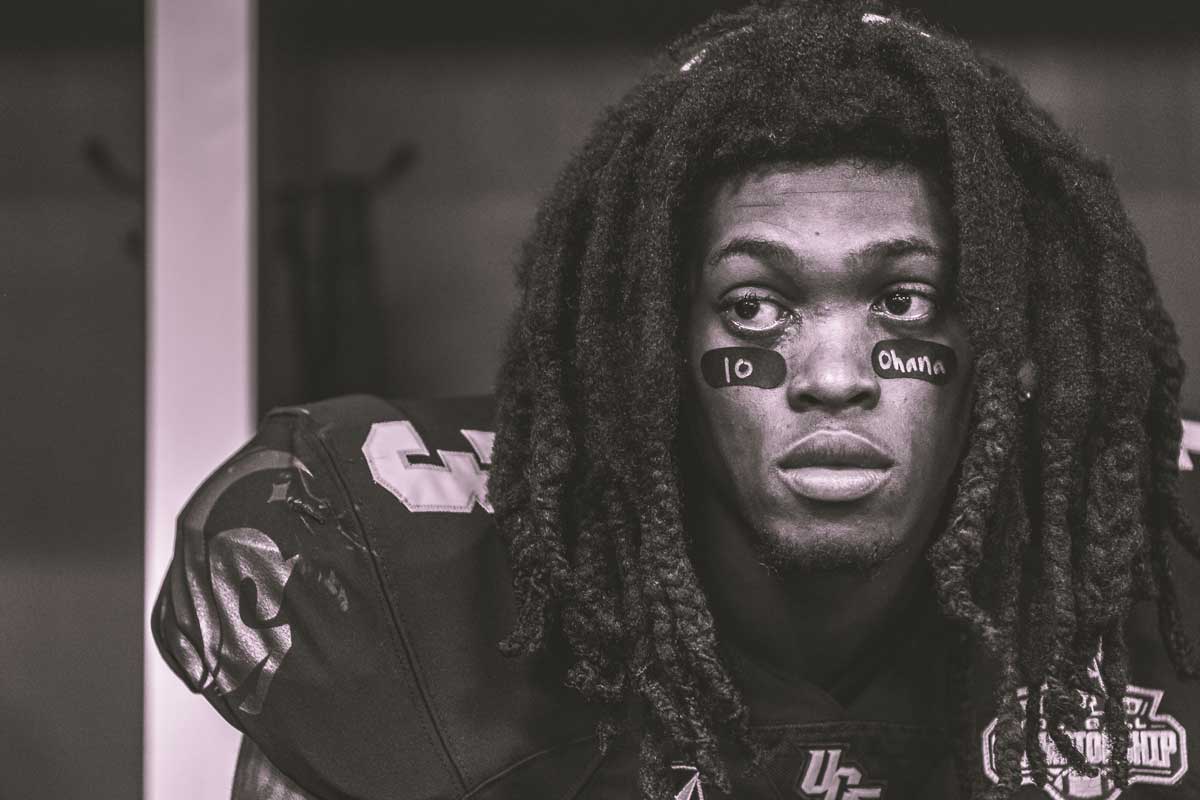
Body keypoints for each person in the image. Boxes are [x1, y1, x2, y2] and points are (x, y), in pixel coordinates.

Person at [152, 2, 1200, 798]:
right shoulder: (397, 570)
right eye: (755, 305)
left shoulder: (1157, 555)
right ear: (652, 343)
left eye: (904, 298)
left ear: (996, 339)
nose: (834, 373)